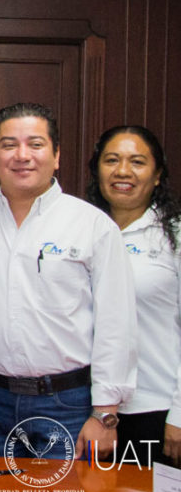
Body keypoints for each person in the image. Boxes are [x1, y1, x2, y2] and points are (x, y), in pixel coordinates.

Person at [0, 102, 137, 458]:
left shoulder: (93, 226)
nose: (22, 155)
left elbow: (117, 325)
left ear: (56, 155)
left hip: (68, 404)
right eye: (8, 145)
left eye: (35, 144)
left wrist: (105, 413)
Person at [86, 125, 181, 466]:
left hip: (157, 409)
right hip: (83, 410)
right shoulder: (79, 231)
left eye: (137, 162)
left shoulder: (174, 235)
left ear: (157, 175)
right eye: (112, 160)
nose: (123, 171)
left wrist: (179, 414)